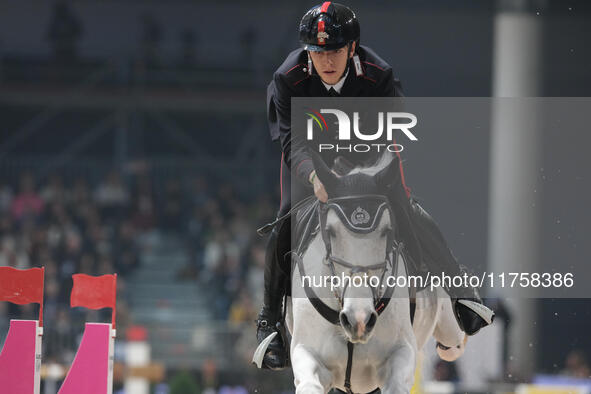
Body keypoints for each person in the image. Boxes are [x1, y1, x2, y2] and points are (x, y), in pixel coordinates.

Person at [256, 2, 494, 370]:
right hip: (312, 159)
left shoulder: (378, 74)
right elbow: (294, 143)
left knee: (407, 208)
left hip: (370, 152)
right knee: (285, 218)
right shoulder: (288, 79)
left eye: (334, 50)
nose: (327, 61)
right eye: (318, 52)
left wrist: (368, 176)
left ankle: (462, 294)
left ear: (352, 48)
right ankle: (269, 324)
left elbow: (392, 135)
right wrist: (317, 177)